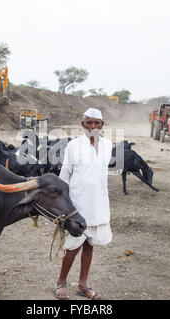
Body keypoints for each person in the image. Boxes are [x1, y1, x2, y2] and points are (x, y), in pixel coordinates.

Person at [54, 107, 112, 300]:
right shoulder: (73, 146)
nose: (93, 126)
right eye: (89, 122)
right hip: (77, 204)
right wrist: (64, 206)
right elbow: (64, 177)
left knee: (90, 244)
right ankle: (61, 282)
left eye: (97, 123)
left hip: (98, 203)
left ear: (102, 125)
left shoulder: (108, 145)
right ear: (83, 124)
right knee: (73, 246)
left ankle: (82, 285)